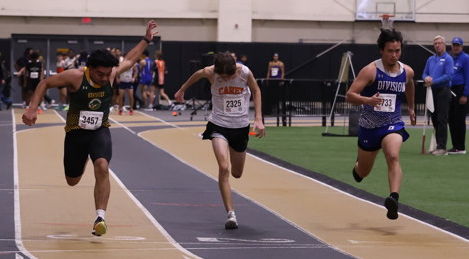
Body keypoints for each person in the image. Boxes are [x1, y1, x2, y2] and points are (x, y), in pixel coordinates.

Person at [22, 21, 158, 236]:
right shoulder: (75, 77)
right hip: (76, 133)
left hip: (99, 130)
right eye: (100, 74)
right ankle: (85, 158)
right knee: (72, 180)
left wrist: (146, 39)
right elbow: (45, 83)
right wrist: (32, 109)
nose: (105, 78)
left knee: (102, 166)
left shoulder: (111, 75)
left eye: (107, 74)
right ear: (90, 69)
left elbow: (131, 58)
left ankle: (100, 218)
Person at [174, 49, 265, 230]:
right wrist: (182, 90)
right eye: (221, 76)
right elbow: (197, 74)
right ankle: (231, 214)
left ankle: (231, 206)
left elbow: (256, 90)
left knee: (237, 173)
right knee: (223, 167)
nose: (224, 78)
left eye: (227, 76)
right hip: (219, 124)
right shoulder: (210, 72)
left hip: (240, 126)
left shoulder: (244, 72)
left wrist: (258, 118)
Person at [344, 28, 416, 221]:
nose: (394, 55)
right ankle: (358, 165)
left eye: (397, 51)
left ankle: (393, 199)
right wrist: (367, 100)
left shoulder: (406, 71)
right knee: (363, 173)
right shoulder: (370, 71)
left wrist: (411, 107)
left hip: (393, 124)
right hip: (369, 127)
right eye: (390, 51)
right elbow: (349, 95)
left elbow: (410, 84)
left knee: (392, 155)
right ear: (381, 50)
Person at [423, 35, 454, 155]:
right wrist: (426, 78)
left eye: (439, 43)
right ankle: (437, 145)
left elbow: (448, 76)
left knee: (442, 119)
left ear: (444, 45)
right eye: (435, 43)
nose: (437, 45)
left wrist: (434, 81)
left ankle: (442, 147)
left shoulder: (448, 59)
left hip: (443, 91)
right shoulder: (430, 59)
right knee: (434, 119)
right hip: (432, 91)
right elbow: (424, 73)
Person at [447, 36, 469, 155]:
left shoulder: (465, 58)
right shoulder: (451, 58)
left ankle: (461, 147)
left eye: (458, 45)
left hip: (460, 91)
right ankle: (455, 146)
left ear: (462, 47)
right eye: (454, 45)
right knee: (452, 119)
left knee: (459, 120)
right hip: (451, 90)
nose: (456, 47)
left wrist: (465, 94)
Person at [266, 52, 286, 121]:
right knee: (271, 95)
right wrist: (267, 79)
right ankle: (271, 109)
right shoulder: (270, 63)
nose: (275, 58)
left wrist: (281, 80)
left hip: (278, 81)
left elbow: (282, 72)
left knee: (278, 95)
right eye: (274, 56)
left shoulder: (280, 64)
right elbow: (268, 72)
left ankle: (278, 109)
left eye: (276, 56)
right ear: (273, 57)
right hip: (272, 80)